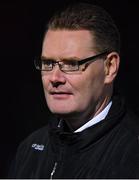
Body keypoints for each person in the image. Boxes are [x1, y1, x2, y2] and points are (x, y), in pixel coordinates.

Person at [9, 2, 139, 178]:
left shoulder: (131, 158)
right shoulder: (30, 149)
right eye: (47, 63)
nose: (55, 78)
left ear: (109, 67)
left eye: (72, 64)